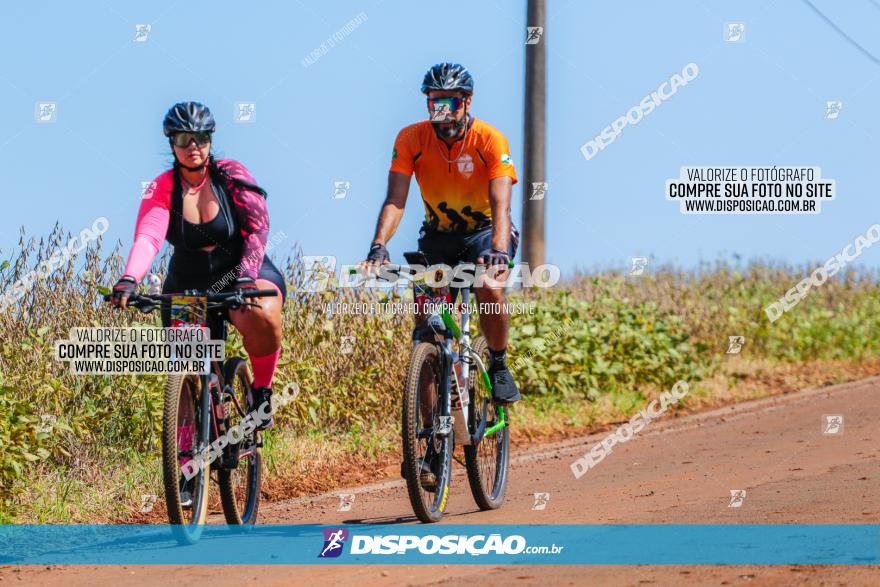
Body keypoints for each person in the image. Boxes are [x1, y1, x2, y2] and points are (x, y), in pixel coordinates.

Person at [109, 101, 286, 430]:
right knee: (188, 368)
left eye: (201, 138)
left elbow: (256, 229)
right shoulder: (162, 187)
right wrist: (129, 279)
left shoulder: (231, 174)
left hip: (241, 269)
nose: (193, 146)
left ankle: (261, 392)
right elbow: (149, 237)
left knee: (262, 314)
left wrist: (247, 277)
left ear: (210, 141)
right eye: (183, 139)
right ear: (171, 142)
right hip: (189, 279)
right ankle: (188, 460)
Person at [362, 63, 521, 405]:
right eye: (436, 103)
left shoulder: (490, 140)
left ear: (467, 102)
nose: (443, 113)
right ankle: (431, 441)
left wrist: (499, 250)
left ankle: (498, 363)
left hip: (485, 234)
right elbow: (395, 199)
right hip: (438, 237)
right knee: (427, 330)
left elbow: (502, 206)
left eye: (451, 103)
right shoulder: (410, 138)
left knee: (488, 284)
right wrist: (378, 246)